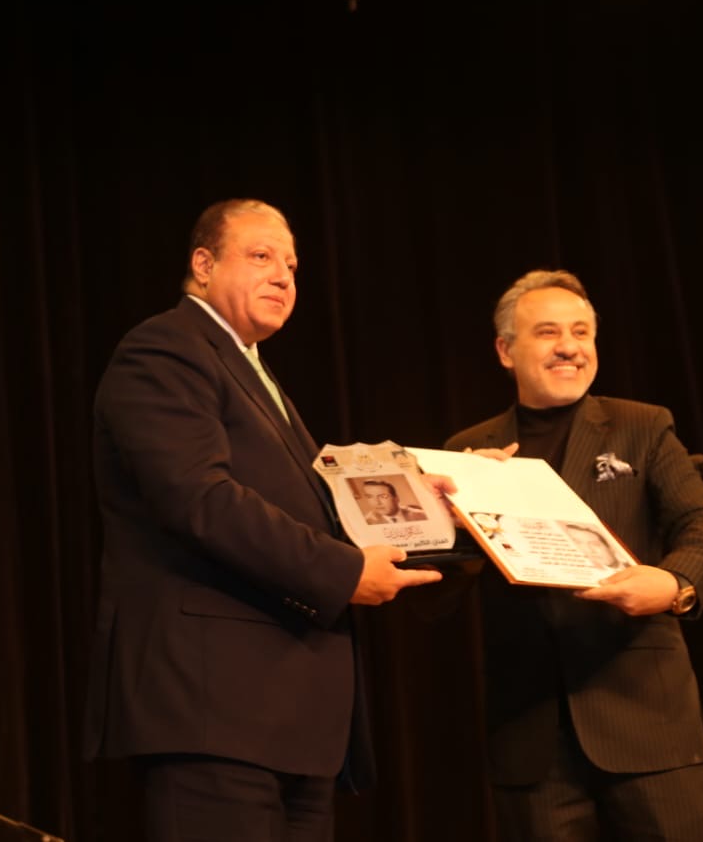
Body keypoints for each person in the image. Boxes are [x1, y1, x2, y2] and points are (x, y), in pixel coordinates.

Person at [83, 198, 447, 842]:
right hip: (213, 705)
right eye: (260, 256)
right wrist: (342, 573)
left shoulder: (250, 368)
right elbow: (200, 499)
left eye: (292, 266)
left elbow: (300, 500)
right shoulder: (165, 348)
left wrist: (421, 495)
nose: (283, 276)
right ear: (203, 265)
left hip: (287, 716)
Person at [444, 269, 703, 842]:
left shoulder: (642, 425)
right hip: (529, 736)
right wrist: (458, 527)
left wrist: (674, 584)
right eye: (548, 332)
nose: (569, 347)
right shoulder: (466, 452)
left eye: (581, 332)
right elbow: (439, 591)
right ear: (505, 350)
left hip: (647, 723)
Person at [360, 478, 429, 524]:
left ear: (396, 498)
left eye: (383, 496)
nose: (376, 502)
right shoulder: (367, 523)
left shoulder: (422, 516)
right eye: (370, 497)